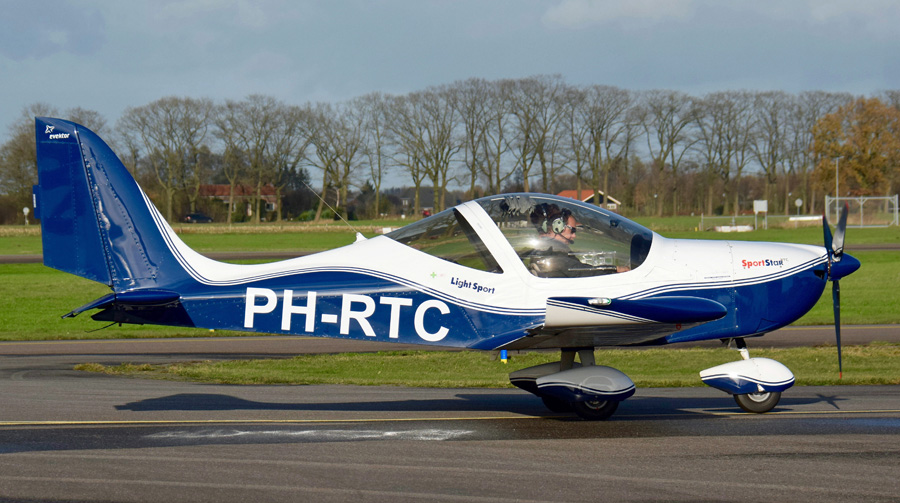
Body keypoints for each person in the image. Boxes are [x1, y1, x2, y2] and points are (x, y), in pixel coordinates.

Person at [527, 203, 587, 277]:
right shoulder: (556, 255)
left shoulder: (541, 250)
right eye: (572, 230)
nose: (574, 235)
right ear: (557, 227)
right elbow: (582, 272)